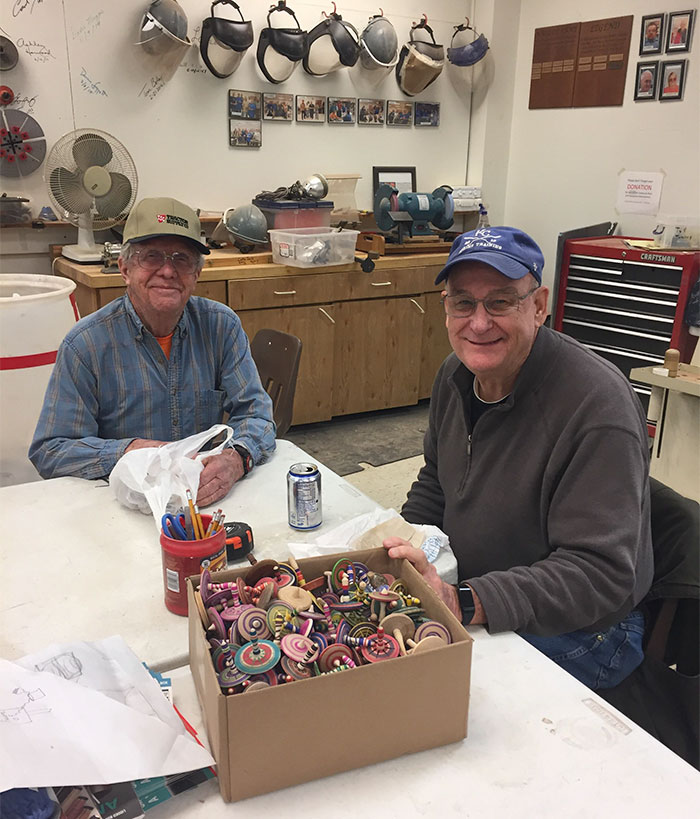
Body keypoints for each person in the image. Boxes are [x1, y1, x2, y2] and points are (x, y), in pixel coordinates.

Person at [384, 226, 653, 690]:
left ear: (539, 305)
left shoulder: (596, 406)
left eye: (501, 301)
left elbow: (599, 573)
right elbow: (437, 482)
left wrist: (465, 601)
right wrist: (402, 556)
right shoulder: (456, 375)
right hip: (483, 591)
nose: (479, 323)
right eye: (463, 302)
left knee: (422, 691)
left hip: (586, 629)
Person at [29, 197, 276, 507]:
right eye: (152, 257)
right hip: (122, 505)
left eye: (182, 259)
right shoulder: (86, 345)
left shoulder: (220, 327)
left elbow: (257, 414)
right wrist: (130, 452)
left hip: (206, 501)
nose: (168, 271)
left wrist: (237, 457)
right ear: (125, 268)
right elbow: (51, 450)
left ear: (196, 274)